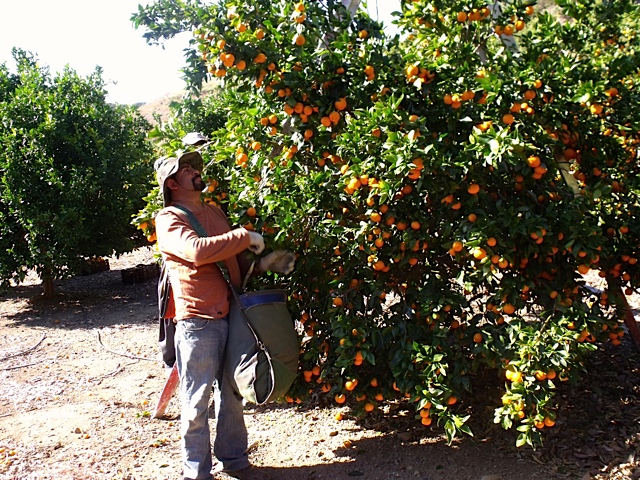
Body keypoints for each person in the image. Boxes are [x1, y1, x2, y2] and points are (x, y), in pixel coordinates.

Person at [154, 150, 292, 480]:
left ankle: (234, 459)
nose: (194, 171)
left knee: (231, 395)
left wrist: (259, 263)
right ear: (173, 183)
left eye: (194, 166)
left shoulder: (214, 212)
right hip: (198, 320)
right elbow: (198, 252)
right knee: (197, 399)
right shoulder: (169, 219)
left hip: (230, 313)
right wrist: (244, 236)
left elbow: (230, 261)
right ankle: (196, 472)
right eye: (185, 169)